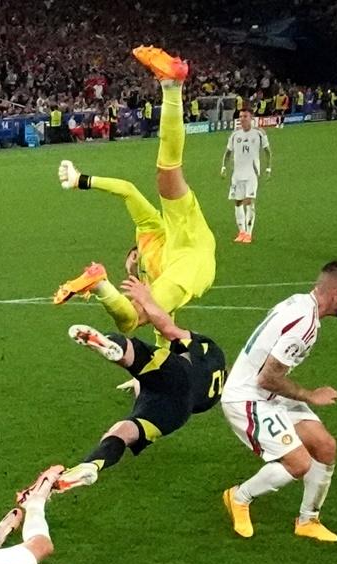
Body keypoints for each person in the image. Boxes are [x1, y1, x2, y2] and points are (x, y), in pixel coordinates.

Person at [54, 46, 217, 345]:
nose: (131, 265)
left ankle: (100, 282)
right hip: (191, 243)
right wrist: (82, 181)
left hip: (192, 257)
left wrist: (83, 180)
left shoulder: (149, 233)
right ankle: (171, 87)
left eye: (131, 262)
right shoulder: (150, 236)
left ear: (134, 254)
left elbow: (128, 189)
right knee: (168, 174)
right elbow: (164, 325)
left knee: (131, 318)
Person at [220, 260, 337, 543]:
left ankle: (308, 521)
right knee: (298, 464)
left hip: (271, 394)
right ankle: (238, 497)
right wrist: (311, 395)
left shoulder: (300, 303)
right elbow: (267, 378)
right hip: (248, 398)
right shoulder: (305, 325)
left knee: (325, 446)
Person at [53, 277, 227, 491]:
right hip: (178, 412)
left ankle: (115, 348)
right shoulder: (213, 395)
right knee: (122, 432)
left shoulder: (212, 351)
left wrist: (146, 299)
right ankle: (92, 465)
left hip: (178, 376)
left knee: (133, 352)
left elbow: (169, 329)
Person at [220, 110, 271, 244]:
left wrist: (268, 168)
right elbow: (228, 153)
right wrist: (223, 167)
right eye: (240, 116)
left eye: (245, 116)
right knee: (237, 202)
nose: (242, 119)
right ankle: (241, 232)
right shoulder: (235, 135)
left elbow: (267, 152)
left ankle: (249, 233)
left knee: (249, 202)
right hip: (237, 174)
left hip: (251, 174)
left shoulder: (259, 133)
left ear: (251, 118)